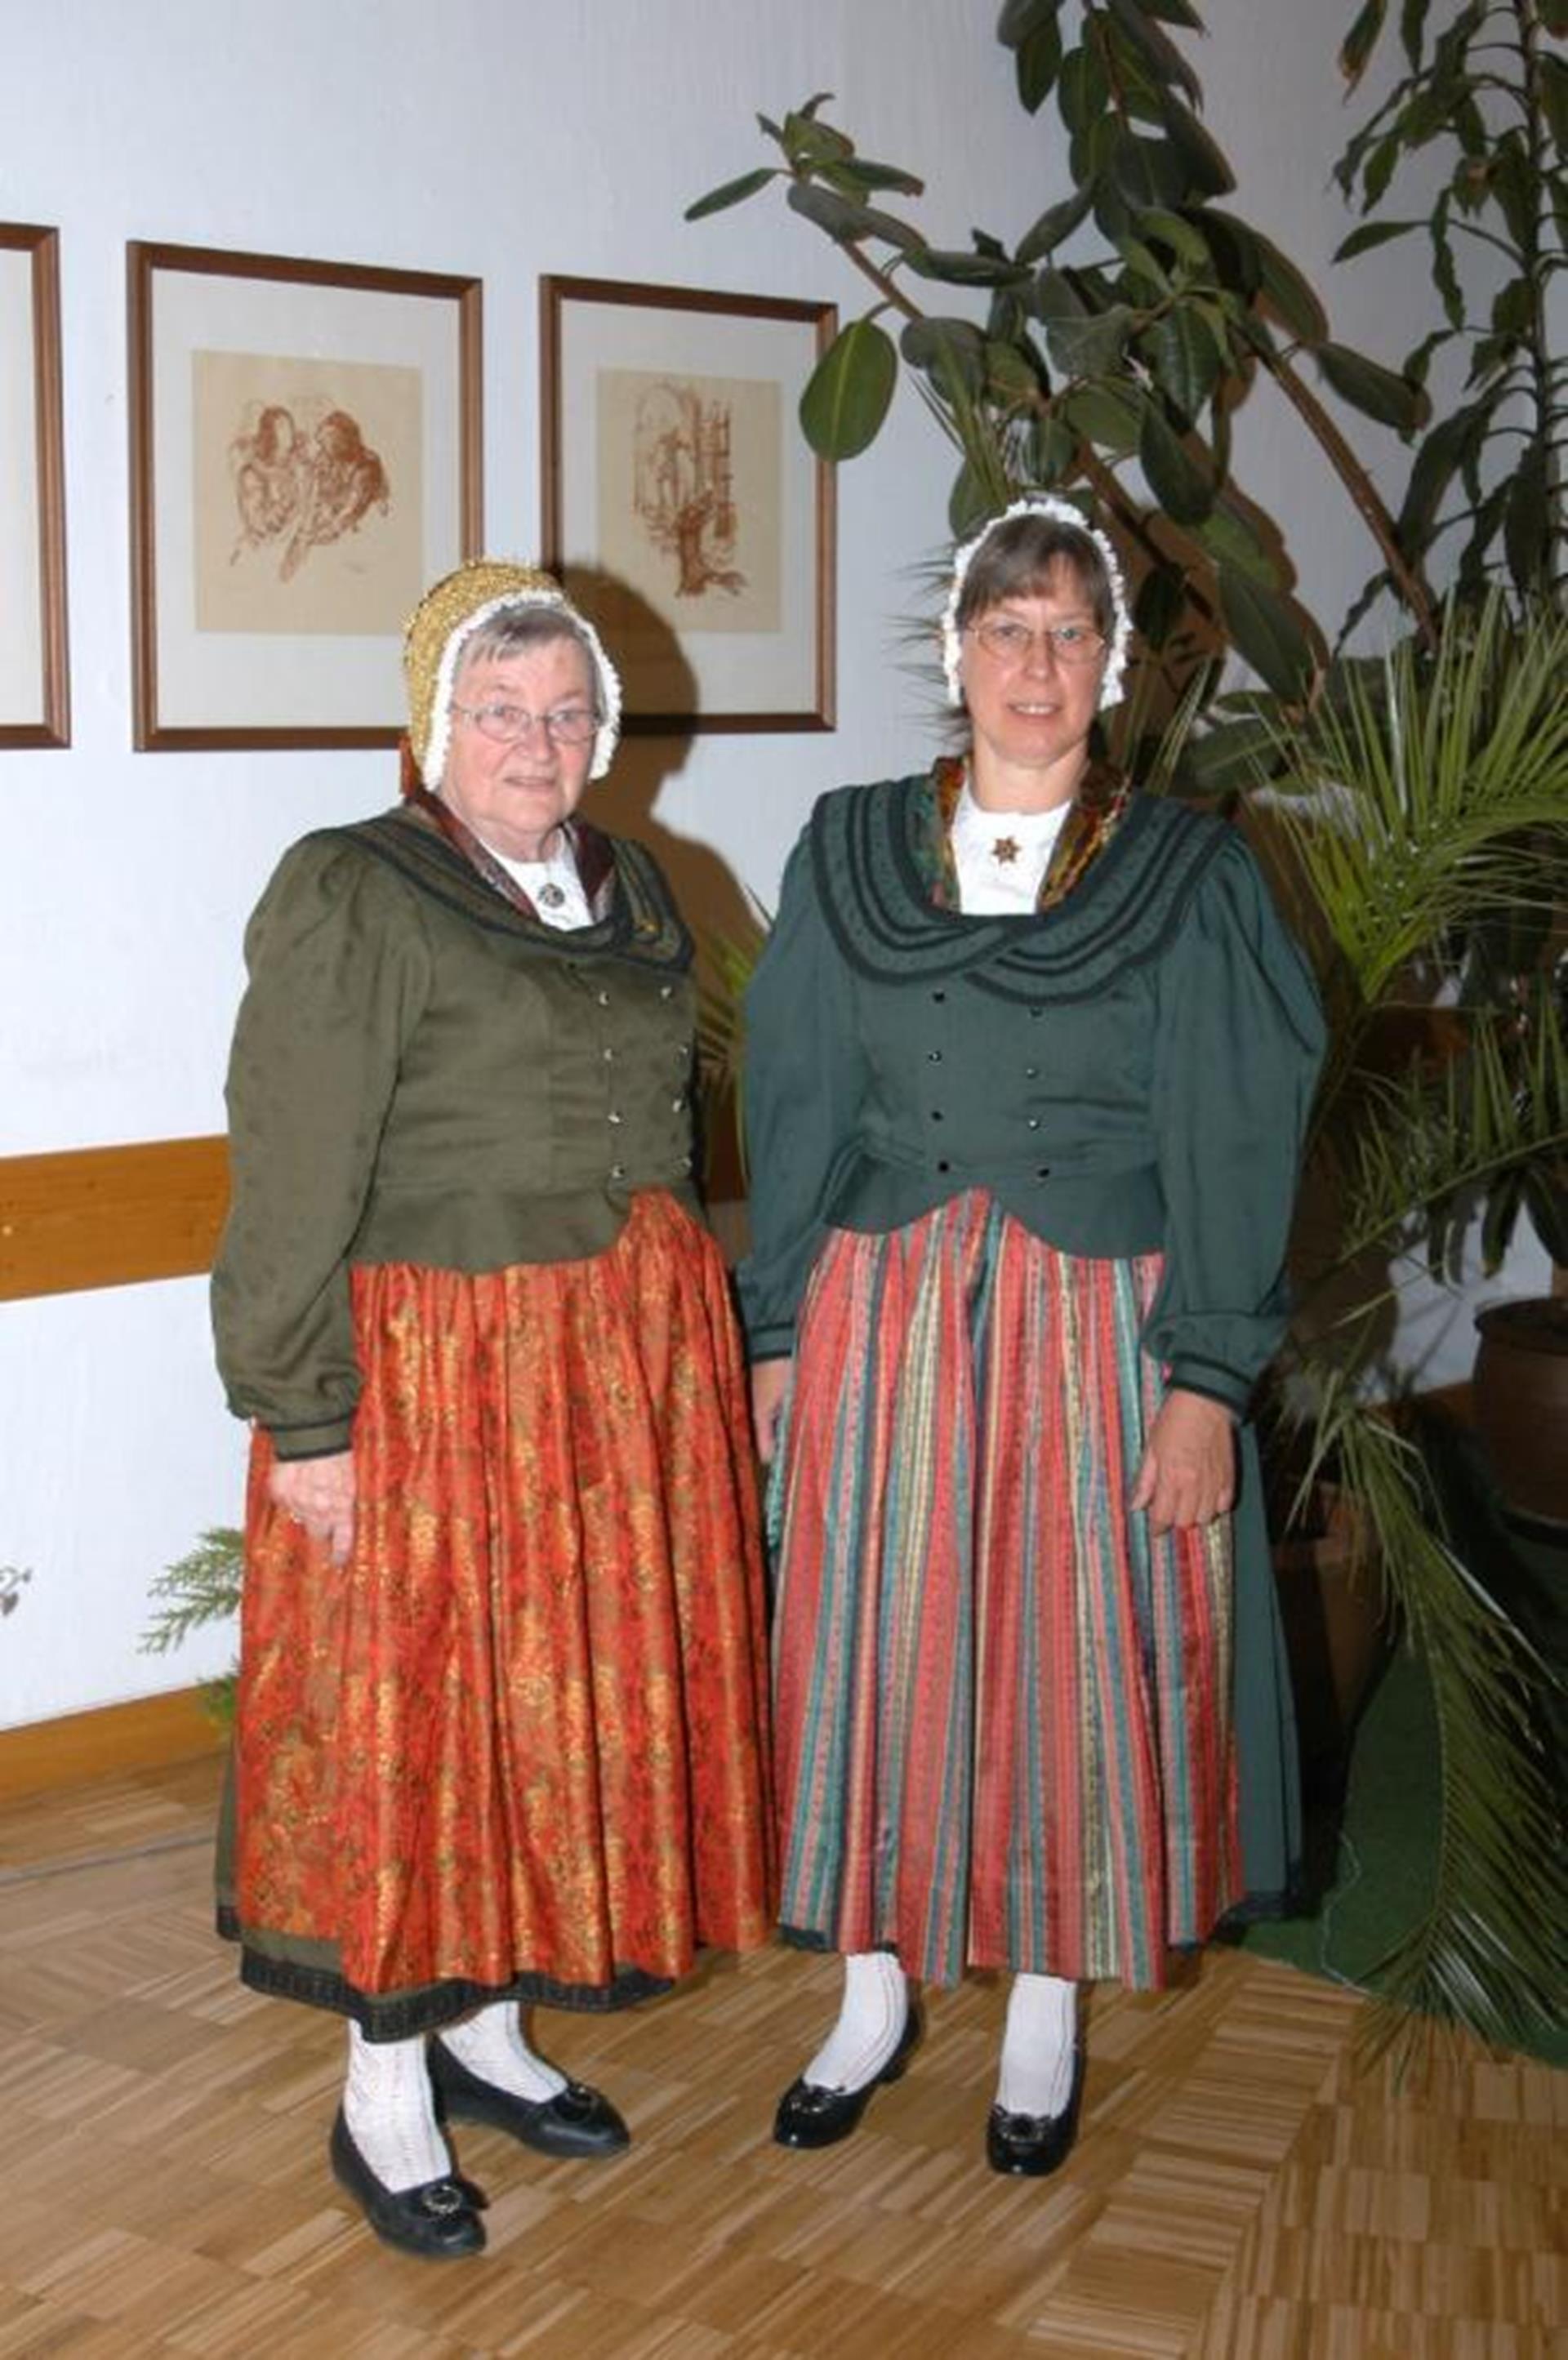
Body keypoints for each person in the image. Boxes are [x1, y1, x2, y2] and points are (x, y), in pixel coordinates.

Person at [740, 495, 1324, 2176]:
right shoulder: (852, 846)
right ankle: (868, 1993)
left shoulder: (1188, 874)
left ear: (1115, 665)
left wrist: (1206, 1378)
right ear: (957, 653)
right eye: (1008, 629)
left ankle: (1046, 2007)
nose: (1038, 663)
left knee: (1072, 1658)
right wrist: (777, 1327)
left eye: (1073, 632)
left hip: (1096, 1321)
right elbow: (793, 1093)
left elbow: (1235, 1127)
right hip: (883, 1303)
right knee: (870, 1647)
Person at [212, 558, 773, 2257]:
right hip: (436, 1368)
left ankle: (488, 2026)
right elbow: (290, 1170)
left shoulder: (632, 881)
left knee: (543, 1710)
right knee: (420, 1712)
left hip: (611, 1368)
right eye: (499, 710)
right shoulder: (355, 888)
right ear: (431, 724)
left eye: (565, 710)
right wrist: (307, 1416)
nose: (537, 740)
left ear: (602, 729)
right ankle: (384, 2082)